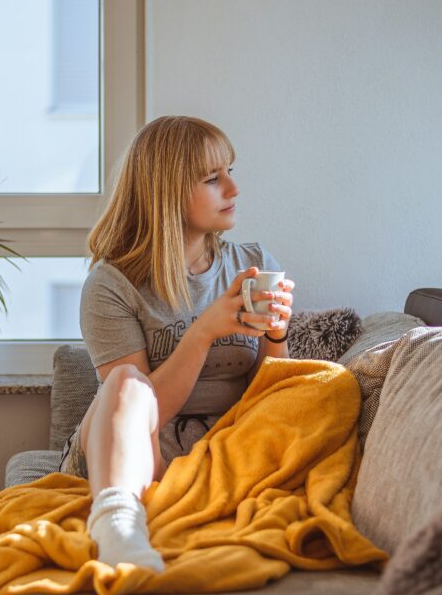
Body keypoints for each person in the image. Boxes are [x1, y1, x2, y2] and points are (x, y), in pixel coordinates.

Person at [61, 115, 296, 572]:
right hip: (129, 446)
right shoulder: (112, 285)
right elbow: (144, 410)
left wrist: (276, 335)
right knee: (127, 382)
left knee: (329, 388)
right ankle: (118, 524)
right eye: (213, 178)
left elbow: (270, 400)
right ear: (166, 192)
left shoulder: (252, 264)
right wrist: (203, 331)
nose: (233, 188)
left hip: (221, 446)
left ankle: (164, 518)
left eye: (230, 171)